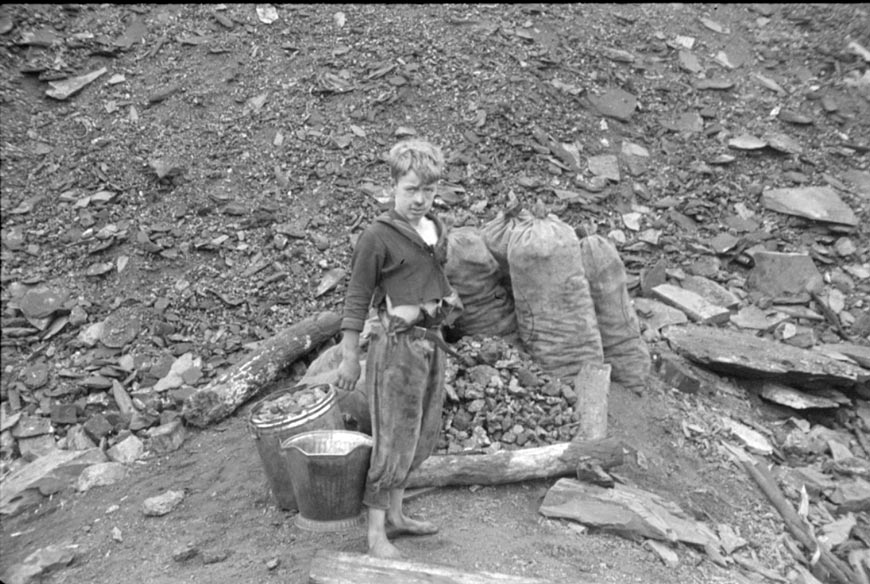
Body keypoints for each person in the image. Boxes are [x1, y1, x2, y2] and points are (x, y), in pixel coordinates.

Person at [336, 139, 460, 558]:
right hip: (396, 350)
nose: (420, 199)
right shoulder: (377, 236)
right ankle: (375, 536)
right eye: (411, 189)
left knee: (422, 431)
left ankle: (398, 515)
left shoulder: (436, 228)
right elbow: (356, 297)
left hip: (431, 344)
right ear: (392, 186)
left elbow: (436, 277)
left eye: (428, 189)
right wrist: (350, 356)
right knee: (392, 438)